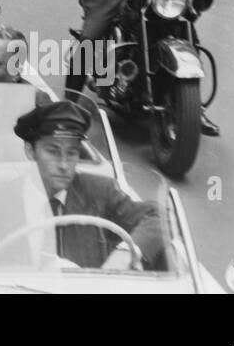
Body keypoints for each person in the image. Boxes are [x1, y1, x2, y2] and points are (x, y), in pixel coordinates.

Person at [14, 100, 166, 271]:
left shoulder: (100, 190)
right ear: (30, 151)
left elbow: (159, 216)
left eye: (72, 152)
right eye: (53, 151)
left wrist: (125, 253)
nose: (64, 164)